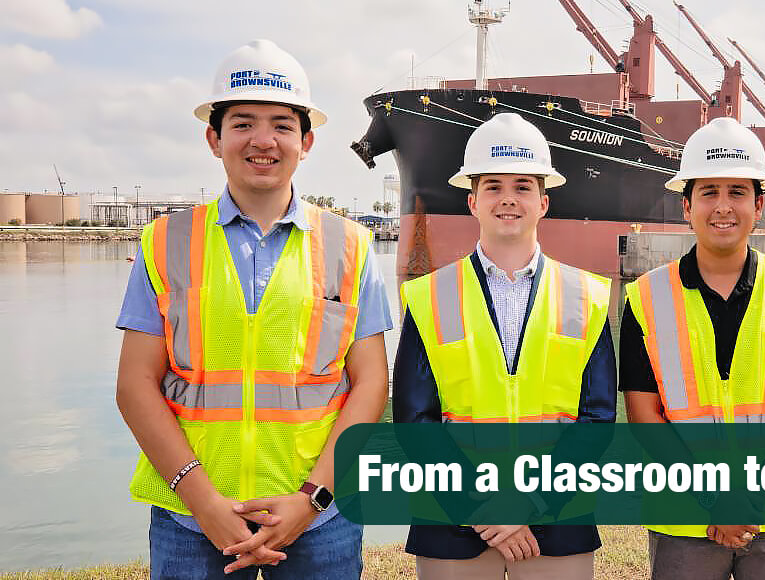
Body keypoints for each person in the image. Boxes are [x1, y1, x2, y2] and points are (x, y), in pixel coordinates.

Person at [114, 39, 391, 579]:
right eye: (242, 123)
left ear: (306, 142)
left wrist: (312, 497)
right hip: (190, 517)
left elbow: (372, 384)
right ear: (213, 139)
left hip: (321, 514)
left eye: (282, 126)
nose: (263, 140)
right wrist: (205, 502)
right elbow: (133, 385)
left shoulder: (351, 247)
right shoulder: (165, 242)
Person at [392, 112, 617, 579]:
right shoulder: (429, 295)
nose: (508, 198)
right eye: (493, 186)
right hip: (453, 521)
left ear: (544, 202)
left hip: (556, 522)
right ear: (472, 201)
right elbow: (414, 419)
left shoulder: (587, 295)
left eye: (522, 186)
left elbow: (596, 418)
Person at [619, 116, 765, 579]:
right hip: (684, 517)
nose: (723, 207)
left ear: (759, 206)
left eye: (737, 193)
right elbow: (642, 414)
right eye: (709, 192)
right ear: (685, 205)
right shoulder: (646, 298)